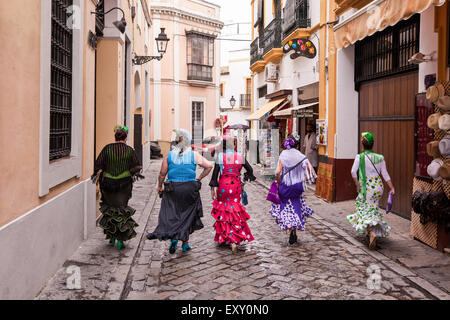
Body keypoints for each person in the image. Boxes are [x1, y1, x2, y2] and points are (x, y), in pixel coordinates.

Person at [146, 129, 213, 254]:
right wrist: (198, 178)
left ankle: (174, 239)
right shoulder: (194, 155)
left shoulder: (169, 155)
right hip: (189, 188)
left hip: (172, 188)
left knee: (173, 214)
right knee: (187, 214)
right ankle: (185, 243)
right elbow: (209, 166)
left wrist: (159, 186)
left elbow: (162, 174)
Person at [92, 126, 143, 251]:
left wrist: (106, 170)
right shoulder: (129, 150)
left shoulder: (107, 148)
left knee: (109, 209)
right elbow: (137, 166)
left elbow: (98, 164)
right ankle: (120, 240)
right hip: (124, 184)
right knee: (121, 209)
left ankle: (112, 237)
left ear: (115, 138)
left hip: (107, 184)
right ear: (125, 138)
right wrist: (127, 171)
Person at [347, 132, 395, 250]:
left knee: (365, 209)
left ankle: (372, 232)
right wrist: (392, 187)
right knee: (373, 208)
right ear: (373, 144)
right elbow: (385, 174)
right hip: (378, 187)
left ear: (362, 144)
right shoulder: (380, 157)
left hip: (366, 187)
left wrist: (357, 184)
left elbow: (353, 172)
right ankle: (371, 232)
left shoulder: (360, 157)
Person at [209, 135, 256, 252]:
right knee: (234, 210)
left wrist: (212, 189)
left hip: (223, 186)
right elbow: (250, 170)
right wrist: (244, 179)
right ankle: (234, 238)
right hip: (235, 186)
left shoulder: (220, 157)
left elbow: (215, 174)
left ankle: (225, 235)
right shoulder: (240, 156)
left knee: (224, 210)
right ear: (234, 145)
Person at [269, 137, 316, 244]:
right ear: (295, 145)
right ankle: (294, 228)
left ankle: (291, 228)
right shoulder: (300, 155)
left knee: (286, 207)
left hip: (285, 186)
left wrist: (278, 182)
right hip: (297, 186)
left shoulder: (283, 155)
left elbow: (277, 172)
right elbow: (308, 169)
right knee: (296, 205)